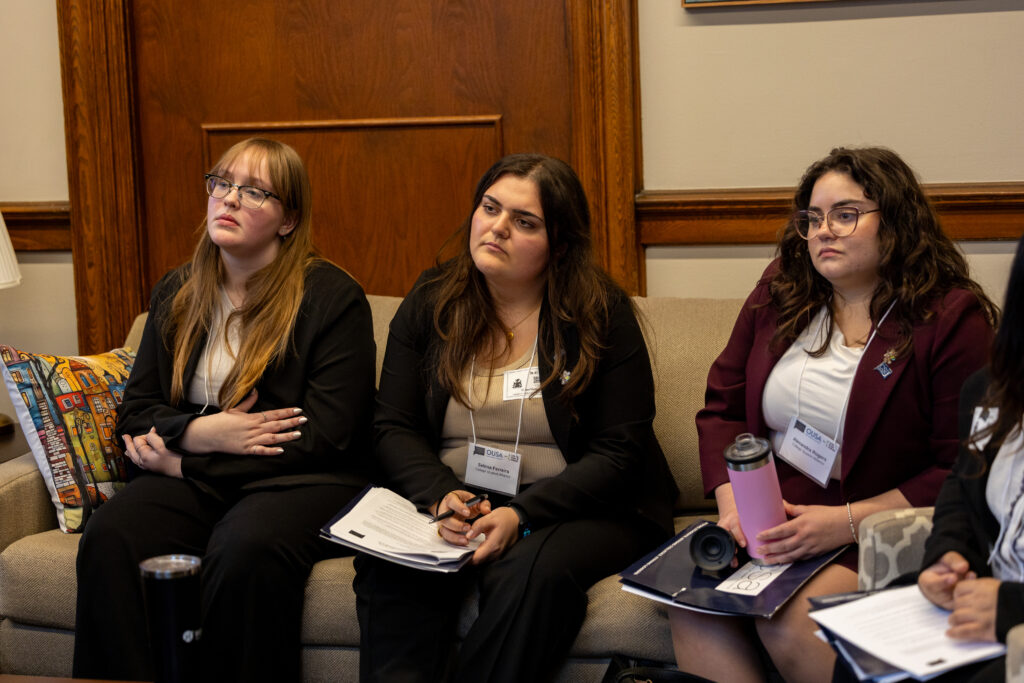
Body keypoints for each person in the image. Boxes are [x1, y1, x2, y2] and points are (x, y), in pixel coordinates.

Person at [670, 146, 998, 683]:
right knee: (693, 604)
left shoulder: (950, 318)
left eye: (845, 215)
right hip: (765, 523)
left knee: (790, 618)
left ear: (895, 222)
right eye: (813, 218)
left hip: (872, 526)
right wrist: (734, 509)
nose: (825, 231)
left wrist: (841, 524)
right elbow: (723, 409)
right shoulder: (782, 288)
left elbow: (960, 470)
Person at [353, 153, 678, 683]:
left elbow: (619, 451)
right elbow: (392, 425)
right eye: (490, 208)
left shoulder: (600, 313)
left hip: (581, 507)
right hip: (459, 496)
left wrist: (521, 515)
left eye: (524, 222)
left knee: (531, 572)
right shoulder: (431, 303)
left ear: (561, 246)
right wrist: (441, 495)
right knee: (392, 568)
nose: (497, 228)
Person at [73, 138, 376, 682]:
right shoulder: (178, 290)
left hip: (300, 478)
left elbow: (331, 435)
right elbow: (137, 411)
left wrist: (185, 461)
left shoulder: (332, 297)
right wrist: (202, 435)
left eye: (254, 191)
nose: (229, 199)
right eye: (222, 183)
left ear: (289, 219)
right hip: (201, 468)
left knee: (245, 549)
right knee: (113, 534)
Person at [909, 235, 1024, 683]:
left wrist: (1011, 605)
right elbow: (962, 487)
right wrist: (946, 556)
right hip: (981, 598)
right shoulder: (992, 389)